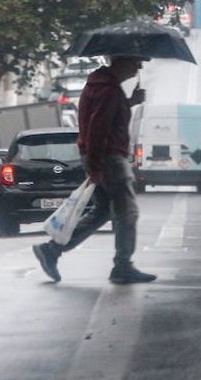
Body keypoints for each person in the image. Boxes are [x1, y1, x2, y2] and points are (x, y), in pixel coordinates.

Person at [33, 54, 157, 285]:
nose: (138, 66)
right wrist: (97, 165)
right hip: (110, 159)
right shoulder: (108, 90)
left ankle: (52, 250)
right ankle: (123, 265)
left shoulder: (103, 87)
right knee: (127, 213)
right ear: (122, 62)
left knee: (103, 211)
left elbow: (104, 118)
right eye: (136, 61)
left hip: (99, 157)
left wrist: (130, 102)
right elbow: (98, 128)